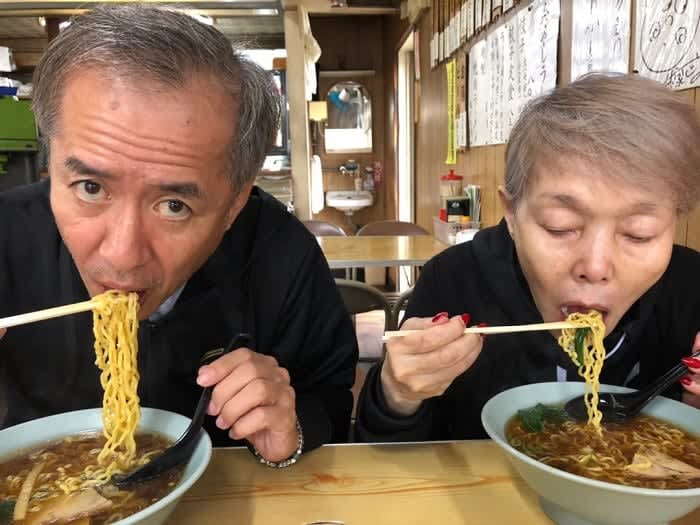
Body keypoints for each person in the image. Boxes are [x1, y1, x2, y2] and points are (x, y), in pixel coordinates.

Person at [0, 4, 358, 466]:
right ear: (51, 164)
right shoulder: (8, 237)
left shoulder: (281, 254)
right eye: (91, 188)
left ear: (233, 205)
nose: (123, 255)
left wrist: (292, 425)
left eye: (174, 206)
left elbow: (327, 392)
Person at [355, 73, 700, 442]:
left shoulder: (689, 286)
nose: (595, 267)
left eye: (638, 233)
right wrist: (398, 394)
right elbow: (381, 459)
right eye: (560, 226)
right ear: (512, 213)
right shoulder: (453, 279)